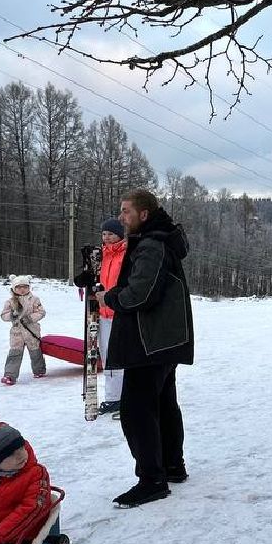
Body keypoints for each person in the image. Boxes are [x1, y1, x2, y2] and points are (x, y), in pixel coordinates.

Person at [101, 189, 193, 507]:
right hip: (162, 339)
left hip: (151, 341)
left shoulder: (152, 244)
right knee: (163, 404)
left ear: (143, 214)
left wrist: (110, 297)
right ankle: (172, 466)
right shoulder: (159, 238)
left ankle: (152, 480)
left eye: (126, 211)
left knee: (136, 410)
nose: (122, 217)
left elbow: (141, 294)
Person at [73, 218, 127, 414]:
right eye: (104, 234)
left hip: (121, 312)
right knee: (106, 356)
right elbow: (92, 276)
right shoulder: (100, 255)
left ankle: (126, 398)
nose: (107, 237)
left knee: (121, 355)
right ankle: (113, 398)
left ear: (120, 235)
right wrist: (85, 277)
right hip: (102, 313)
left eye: (111, 234)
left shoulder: (127, 254)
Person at [0, 275, 47, 385]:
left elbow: (41, 312)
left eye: (25, 287)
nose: (22, 289)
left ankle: (39, 370)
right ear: (14, 288)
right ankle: (10, 375)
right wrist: (11, 315)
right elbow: (3, 315)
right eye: (19, 287)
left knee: (35, 352)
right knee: (14, 353)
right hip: (17, 333)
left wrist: (30, 318)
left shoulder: (34, 299)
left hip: (32, 331)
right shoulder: (10, 302)